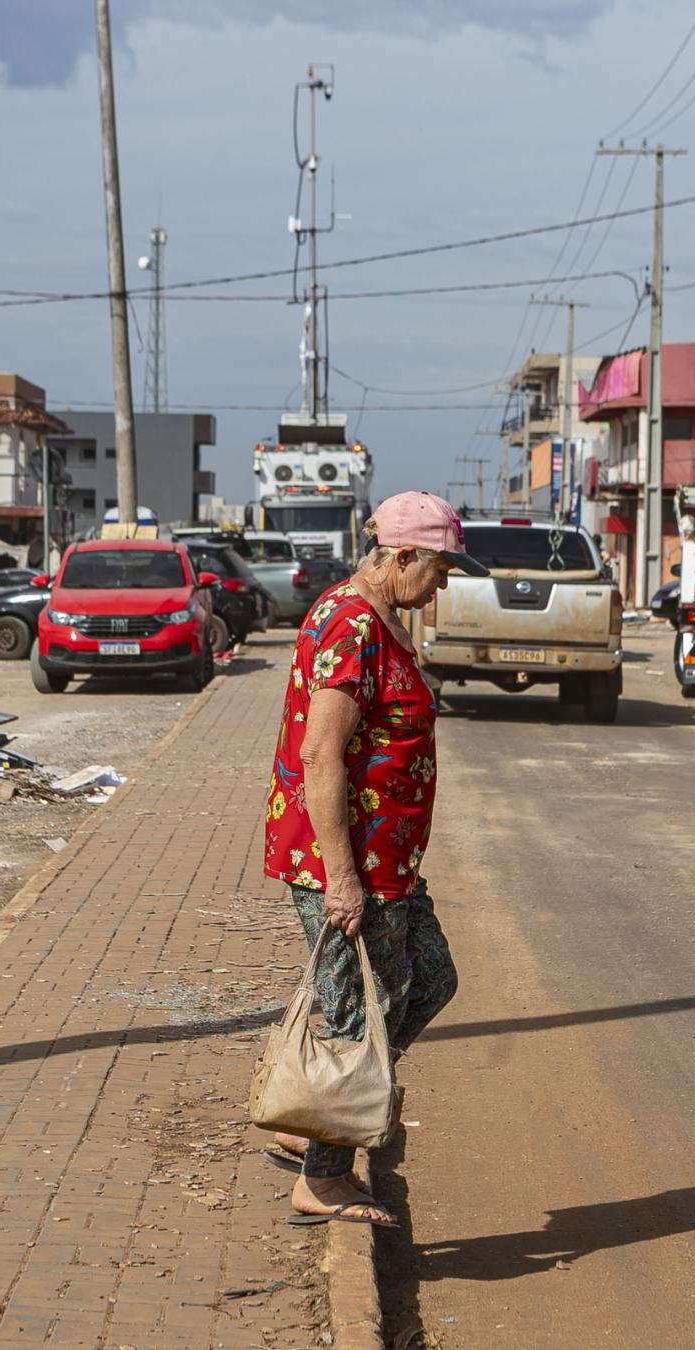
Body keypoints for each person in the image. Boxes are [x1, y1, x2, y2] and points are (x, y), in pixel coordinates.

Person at [263, 491, 490, 1227]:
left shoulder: (384, 617)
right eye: (439, 569)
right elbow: (321, 755)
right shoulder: (352, 624)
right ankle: (322, 1175)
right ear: (401, 558)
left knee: (431, 982)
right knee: (364, 1015)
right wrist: (342, 880)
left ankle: (320, 1116)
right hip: (348, 863)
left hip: (390, 864)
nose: (445, 584)